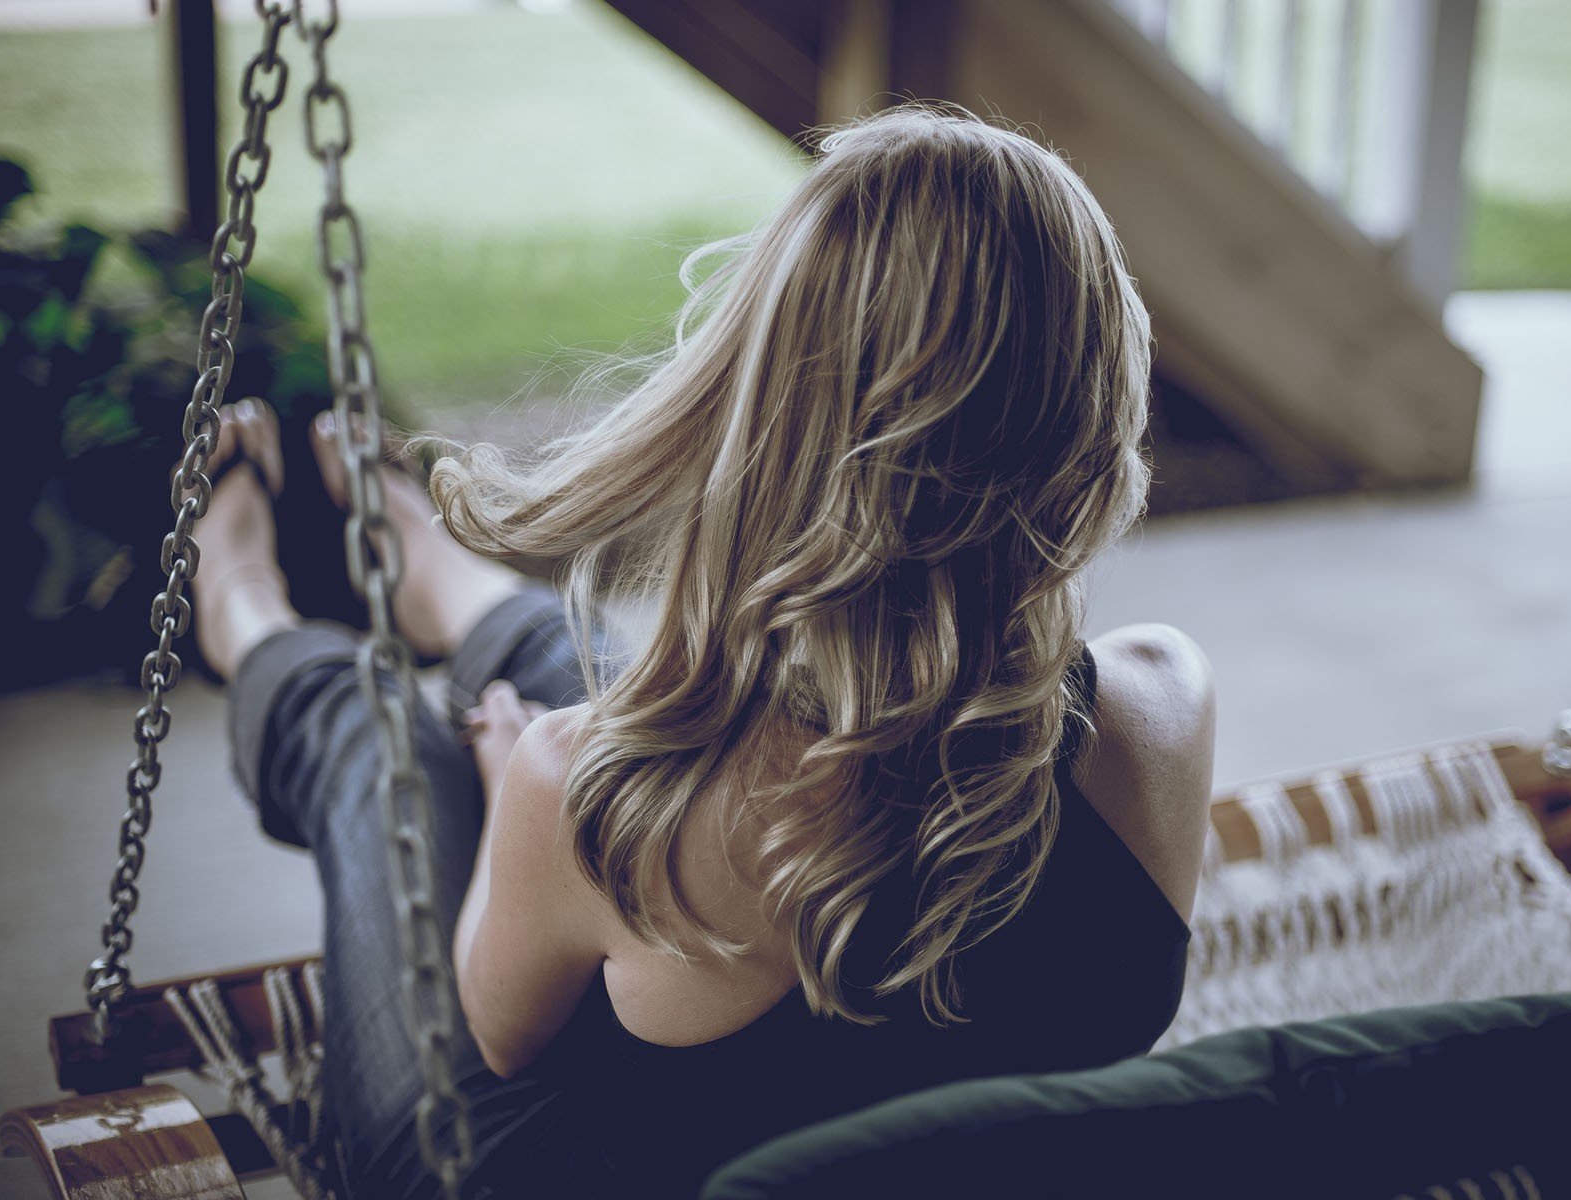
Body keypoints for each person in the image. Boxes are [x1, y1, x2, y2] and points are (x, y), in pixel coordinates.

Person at [190, 106, 1216, 1198]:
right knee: (622, 706)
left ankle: (240, 602)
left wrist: (514, 805)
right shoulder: (1163, 703)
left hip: (532, 1166)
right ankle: (449, 581)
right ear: (1096, 409)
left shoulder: (575, 791)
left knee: (377, 734)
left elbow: (497, 1040)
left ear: (766, 408)